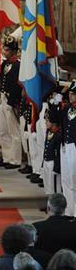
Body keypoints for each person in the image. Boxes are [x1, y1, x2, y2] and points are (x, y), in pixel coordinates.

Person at [0, 36, 23, 169]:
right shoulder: (4, 64)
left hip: (11, 101)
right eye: (4, 49)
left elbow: (17, 86)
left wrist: (12, 102)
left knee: (13, 131)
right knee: (3, 130)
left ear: (13, 51)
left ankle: (15, 159)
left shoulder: (18, 66)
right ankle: (7, 157)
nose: (4, 51)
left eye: (7, 50)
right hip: (2, 99)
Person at [60, 81, 76, 216]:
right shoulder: (67, 109)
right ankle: (69, 211)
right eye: (70, 94)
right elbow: (58, 121)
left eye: (73, 94)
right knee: (66, 179)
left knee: (74, 178)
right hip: (66, 145)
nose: (70, 96)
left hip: (75, 146)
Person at [42, 104, 62, 197]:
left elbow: (58, 153)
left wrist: (56, 168)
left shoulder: (58, 135)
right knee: (47, 186)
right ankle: (49, 206)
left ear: (53, 122)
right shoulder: (48, 132)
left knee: (54, 187)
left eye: (47, 120)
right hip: (46, 162)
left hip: (53, 163)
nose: (46, 122)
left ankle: (55, 207)